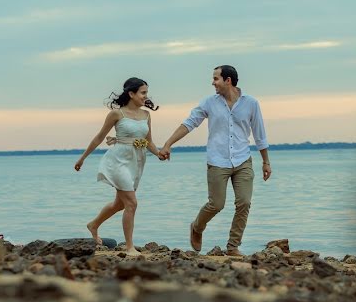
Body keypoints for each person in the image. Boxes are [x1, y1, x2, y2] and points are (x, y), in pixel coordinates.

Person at [159, 65, 271, 256]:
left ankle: (233, 246)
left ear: (228, 80)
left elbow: (259, 134)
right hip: (217, 160)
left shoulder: (251, 103)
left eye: (216, 79)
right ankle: (197, 227)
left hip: (243, 159)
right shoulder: (209, 103)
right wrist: (168, 143)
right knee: (216, 204)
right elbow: (189, 123)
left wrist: (266, 162)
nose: (213, 82)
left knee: (244, 202)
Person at [74, 77, 162, 256]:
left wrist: (160, 153)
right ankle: (130, 247)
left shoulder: (146, 115)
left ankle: (93, 225)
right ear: (131, 93)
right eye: (143, 92)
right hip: (118, 161)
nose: (146, 96)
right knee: (131, 202)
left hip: (137, 162)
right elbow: (99, 138)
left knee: (119, 204)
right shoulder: (117, 114)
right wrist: (82, 158)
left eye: (146, 92)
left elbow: (148, 141)